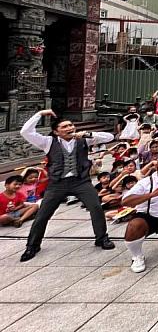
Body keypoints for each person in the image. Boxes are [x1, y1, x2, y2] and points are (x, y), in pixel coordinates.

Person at [18, 109, 116, 261]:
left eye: (70, 125)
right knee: (43, 214)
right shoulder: (48, 142)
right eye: (64, 127)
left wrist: (88, 134)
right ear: (56, 132)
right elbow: (26, 132)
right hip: (57, 183)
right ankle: (32, 246)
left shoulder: (83, 139)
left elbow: (110, 137)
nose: (69, 128)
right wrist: (40, 114)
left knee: (96, 207)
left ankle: (102, 238)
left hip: (80, 181)